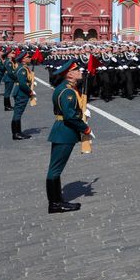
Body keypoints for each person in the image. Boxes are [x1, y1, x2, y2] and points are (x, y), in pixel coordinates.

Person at [45, 59, 88, 214]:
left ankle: (57, 201)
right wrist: (85, 128)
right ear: (69, 74)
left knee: (55, 168)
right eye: (77, 70)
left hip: (62, 130)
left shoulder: (65, 88)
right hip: (65, 132)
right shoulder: (68, 91)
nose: (80, 72)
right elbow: (69, 116)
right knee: (55, 169)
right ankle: (55, 204)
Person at [10, 49, 35, 140]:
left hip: (20, 91)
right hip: (21, 92)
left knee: (18, 112)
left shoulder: (23, 67)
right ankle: (16, 133)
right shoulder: (22, 69)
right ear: (23, 59)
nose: (30, 58)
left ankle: (17, 132)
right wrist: (30, 91)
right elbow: (22, 83)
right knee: (18, 113)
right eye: (28, 57)